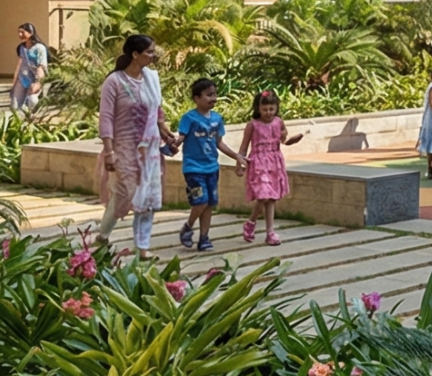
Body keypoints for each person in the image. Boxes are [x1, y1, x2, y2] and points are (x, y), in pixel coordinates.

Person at [96, 34, 169, 254]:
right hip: (124, 147)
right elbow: (106, 117)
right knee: (125, 193)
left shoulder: (150, 79)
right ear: (135, 54)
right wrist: (109, 152)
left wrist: (166, 132)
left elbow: (157, 110)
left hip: (150, 148)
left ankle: (142, 246)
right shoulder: (115, 81)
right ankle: (103, 236)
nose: (152, 56)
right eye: (148, 52)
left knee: (148, 194)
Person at [175, 78, 236, 252]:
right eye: (209, 95)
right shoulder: (189, 118)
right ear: (196, 98)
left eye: (215, 94)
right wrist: (173, 143)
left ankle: (204, 238)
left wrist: (237, 156)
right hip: (193, 169)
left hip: (212, 168)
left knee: (209, 203)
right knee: (200, 201)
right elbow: (181, 137)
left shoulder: (217, 119)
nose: (213, 98)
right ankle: (188, 227)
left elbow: (219, 143)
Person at [239, 89, 304, 245]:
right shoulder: (252, 125)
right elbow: (243, 147)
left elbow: (283, 138)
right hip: (258, 163)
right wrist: (240, 163)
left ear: (276, 108)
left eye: (271, 109)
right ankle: (251, 222)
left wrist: (289, 139)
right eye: (264, 109)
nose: (268, 112)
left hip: (274, 162)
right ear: (258, 109)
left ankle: (270, 232)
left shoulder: (278, 122)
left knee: (271, 199)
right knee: (263, 196)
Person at [11, 23, 48, 114]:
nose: (20, 35)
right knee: (14, 105)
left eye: (22, 32)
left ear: (30, 33)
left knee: (32, 100)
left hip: (35, 78)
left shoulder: (39, 48)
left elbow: (41, 67)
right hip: (22, 78)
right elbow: (19, 64)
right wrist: (14, 81)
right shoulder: (21, 48)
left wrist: (38, 82)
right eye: (19, 32)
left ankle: (32, 120)